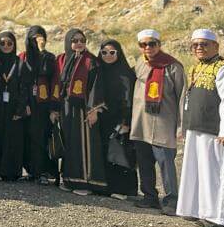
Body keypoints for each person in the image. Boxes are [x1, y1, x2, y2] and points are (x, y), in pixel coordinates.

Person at [176, 29, 224, 227]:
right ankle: (195, 208)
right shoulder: (197, 67)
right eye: (195, 44)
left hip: (217, 132)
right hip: (197, 128)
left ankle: (216, 217)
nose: (199, 48)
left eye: (204, 44)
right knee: (195, 171)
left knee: (215, 174)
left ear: (216, 46)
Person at [131, 29, 185, 214]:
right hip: (141, 123)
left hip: (163, 123)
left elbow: (182, 97)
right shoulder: (140, 63)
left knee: (166, 164)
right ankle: (149, 197)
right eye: (143, 44)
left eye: (152, 44)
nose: (148, 48)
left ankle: (171, 200)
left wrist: (181, 125)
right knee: (144, 162)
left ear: (159, 44)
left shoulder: (173, 67)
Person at [58, 28, 107, 195]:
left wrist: (93, 110)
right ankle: (70, 180)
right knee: (70, 144)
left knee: (83, 145)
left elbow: (96, 86)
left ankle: (85, 183)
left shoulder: (91, 61)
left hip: (83, 109)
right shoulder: (64, 60)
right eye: (75, 40)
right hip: (67, 108)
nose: (79, 43)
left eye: (82, 40)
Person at [95, 39, 139, 198]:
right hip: (104, 118)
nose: (107, 55)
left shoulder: (124, 73)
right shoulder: (99, 71)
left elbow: (128, 99)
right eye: (104, 52)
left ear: (118, 53)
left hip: (120, 119)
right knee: (106, 151)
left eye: (112, 52)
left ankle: (124, 189)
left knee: (121, 152)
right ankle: (107, 186)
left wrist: (125, 122)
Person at [20, 25, 59, 185]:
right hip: (27, 103)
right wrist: (23, 104)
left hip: (43, 105)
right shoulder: (23, 57)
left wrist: (54, 108)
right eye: (35, 38)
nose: (38, 40)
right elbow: (20, 82)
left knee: (41, 138)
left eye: (41, 37)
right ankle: (31, 171)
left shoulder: (49, 58)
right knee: (27, 138)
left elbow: (55, 82)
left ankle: (43, 172)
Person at [0, 30, 27, 181]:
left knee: (12, 138)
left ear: (14, 44)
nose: (6, 46)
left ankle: (11, 172)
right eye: (2, 43)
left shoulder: (19, 63)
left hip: (13, 106)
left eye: (9, 43)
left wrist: (21, 108)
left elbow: (24, 87)